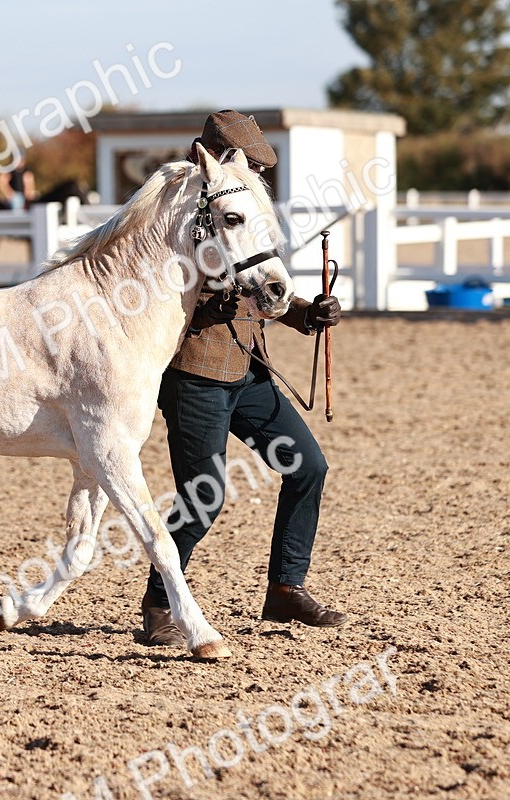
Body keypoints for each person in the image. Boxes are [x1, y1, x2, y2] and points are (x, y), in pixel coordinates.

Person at [140, 110, 347, 647]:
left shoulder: (238, 211)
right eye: (249, 166)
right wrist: (223, 296)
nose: (256, 177)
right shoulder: (180, 215)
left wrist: (307, 313)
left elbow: (260, 283)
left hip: (249, 371)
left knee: (308, 468)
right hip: (195, 376)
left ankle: (284, 589)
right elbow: (164, 294)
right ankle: (160, 603)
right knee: (202, 497)